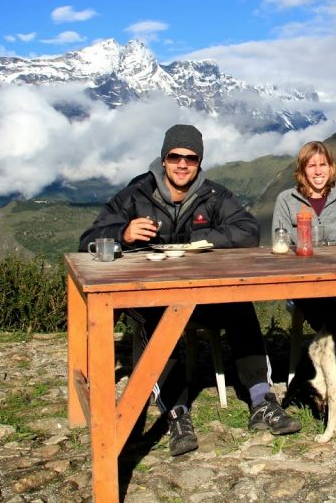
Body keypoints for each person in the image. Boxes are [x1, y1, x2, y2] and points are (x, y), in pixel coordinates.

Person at [79, 124, 300, 457]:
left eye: (191, 158)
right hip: (150, 294)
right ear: (164, 158)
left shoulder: (213, 196)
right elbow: (87, 241)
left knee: (239, 305)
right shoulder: (135, 195)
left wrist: (197, 239)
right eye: (175, 156)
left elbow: (247, 231)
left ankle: (261, 399)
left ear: (199, 161)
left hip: (203, 295)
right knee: (153, 318)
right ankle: (177, 413)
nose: (182, 164)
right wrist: (122, 232)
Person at [272, 140, 336, 327]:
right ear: (302, 170)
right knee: (328, 311)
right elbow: (280, 245)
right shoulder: (286, 199)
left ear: (331, 167)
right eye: (311, 165)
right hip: (305, 280)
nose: (318, 172)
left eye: (323, 164)